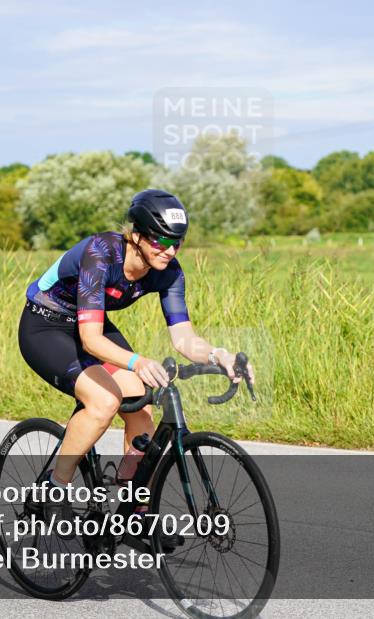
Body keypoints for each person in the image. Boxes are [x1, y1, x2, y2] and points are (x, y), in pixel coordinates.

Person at [18, 189, 253, 510]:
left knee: (140, 400)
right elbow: (90, 340)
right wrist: (137, 361)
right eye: (160, 241)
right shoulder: (100, 254)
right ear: (137, 236)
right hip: (46, 325)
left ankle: (135, 503)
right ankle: (54, 488)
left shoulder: (169, 272)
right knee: (104, 401)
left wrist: (219, 355)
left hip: (91, 322)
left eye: (177, 242)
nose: (168, 251)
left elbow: (184, 338)